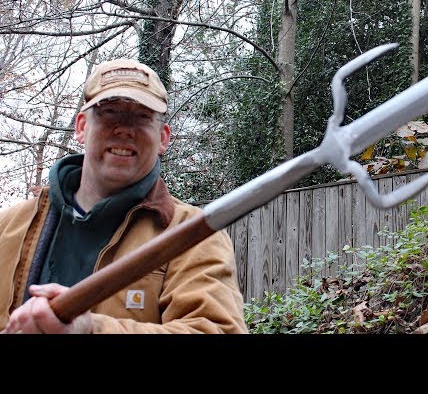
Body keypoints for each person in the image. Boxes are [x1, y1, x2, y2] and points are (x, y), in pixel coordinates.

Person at [0, 59, 248, 334]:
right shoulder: (8, 227)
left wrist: (91, 330)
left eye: (142, 117)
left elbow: (216, 330)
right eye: (110, 112)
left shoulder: (194, 235)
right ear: (81, 127)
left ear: (163, 138)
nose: (125, 129)